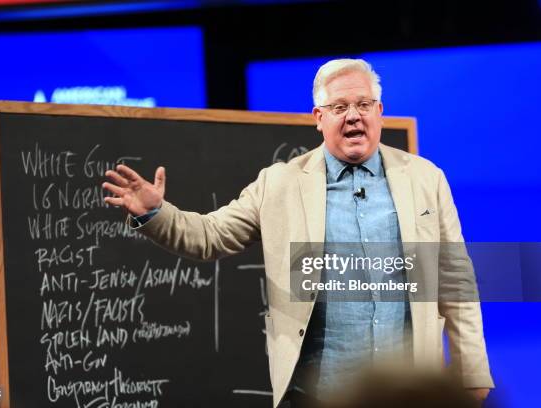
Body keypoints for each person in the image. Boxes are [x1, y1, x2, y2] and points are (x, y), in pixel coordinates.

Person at [102, 59, 493, 408]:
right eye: (339, 107)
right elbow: (210, 236)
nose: (353, 116)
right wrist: (155, 212)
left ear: (380, 112)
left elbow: (455, 278)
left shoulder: (425, 179)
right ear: (318, 118)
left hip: (406, 394)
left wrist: (472, 372)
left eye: (363, 105)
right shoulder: (280, 184)